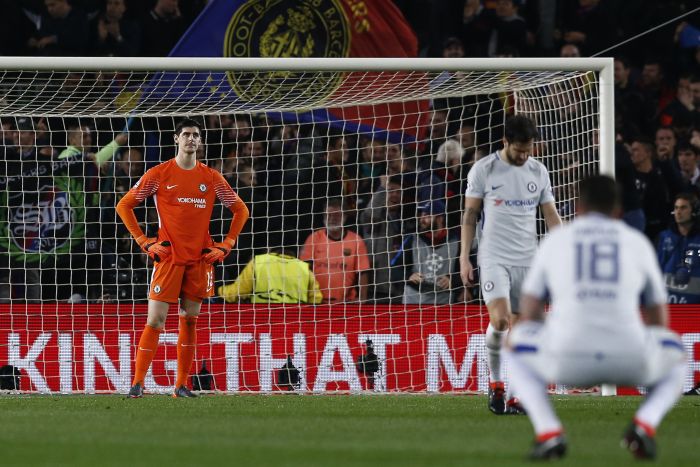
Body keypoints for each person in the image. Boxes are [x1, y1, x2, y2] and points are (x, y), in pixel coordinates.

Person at [506, 175, 686, 460]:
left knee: (513, 343)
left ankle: (549, 432)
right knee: (677, 354)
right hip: (629, 358)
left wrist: (549, 339)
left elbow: (530, 310)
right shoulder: (636, 242)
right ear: (618, 211)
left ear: (578, 207)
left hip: (566, 358)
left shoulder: (557, 240)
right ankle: (644, 425)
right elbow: (657, 314)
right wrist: (650, 347)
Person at [116, 118, 249, 398]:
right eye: (186, 134)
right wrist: (143, 241)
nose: (191, 139)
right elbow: (124, 205)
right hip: (169, 257)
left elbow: (241, 210)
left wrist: (226, 245)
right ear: (176, 139)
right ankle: (138, 383)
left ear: (200, 142)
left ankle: (181, 385)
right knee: (155, 320)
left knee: (189, 319)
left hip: (200, 259)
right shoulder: (159, 174)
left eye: (196, 135)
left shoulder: (211, 177)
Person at [459, 114, 562, 415]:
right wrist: (465, 256)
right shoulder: (484, 169)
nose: (524, 155)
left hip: (528, 259)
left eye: (528, 149)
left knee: (522, 329)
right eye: (519, 149)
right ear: (505, 142)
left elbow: (551, 215)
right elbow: (469, 216)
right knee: (502, 320)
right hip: (494, 256)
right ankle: (495, 384)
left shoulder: (538, 171)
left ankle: (516, 395)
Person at [299, 197, 370, 303]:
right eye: (329, 215)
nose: (332, 219)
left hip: (345, 303)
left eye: (337, 215)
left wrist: (362, 299)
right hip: (317, 302)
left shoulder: (356, 240)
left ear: (345, 217)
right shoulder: (313, 238)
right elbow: (304, 270)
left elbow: (363, 272)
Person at [403, 200, 460, 305]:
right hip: (413, 300)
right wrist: (408, 275)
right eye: (422, 215)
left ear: (440, 218)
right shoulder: (412, 239)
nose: (422, 220)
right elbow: (394, 267)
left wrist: (453, 280)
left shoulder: (457, 241)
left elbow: (469, 270)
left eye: (427, 216)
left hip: (443, 300)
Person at [217, 248, 323, 304]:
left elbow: (239, 292)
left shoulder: (258, 262)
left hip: (262, 319)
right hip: (294, 323)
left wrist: (219, 291)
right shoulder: (304, 268)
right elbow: (316, 299)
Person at [657, 192, 700, 304]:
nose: (678, 212)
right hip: (667, 306)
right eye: (676, 208)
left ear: (694, 212)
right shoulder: (664, 237)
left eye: (683, 208)